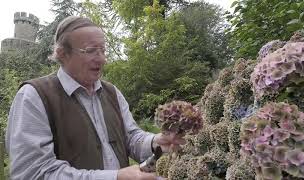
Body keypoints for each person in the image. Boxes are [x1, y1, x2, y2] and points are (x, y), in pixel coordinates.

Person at [5, 16, 185, 180]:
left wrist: (155, 142)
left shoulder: (112, 92)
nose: (102, 59)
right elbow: (34, 173)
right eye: (90, 50)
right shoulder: (34, 96)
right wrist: (116, 177)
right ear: (62, 54)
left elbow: (131, 137)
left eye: (103, 50)